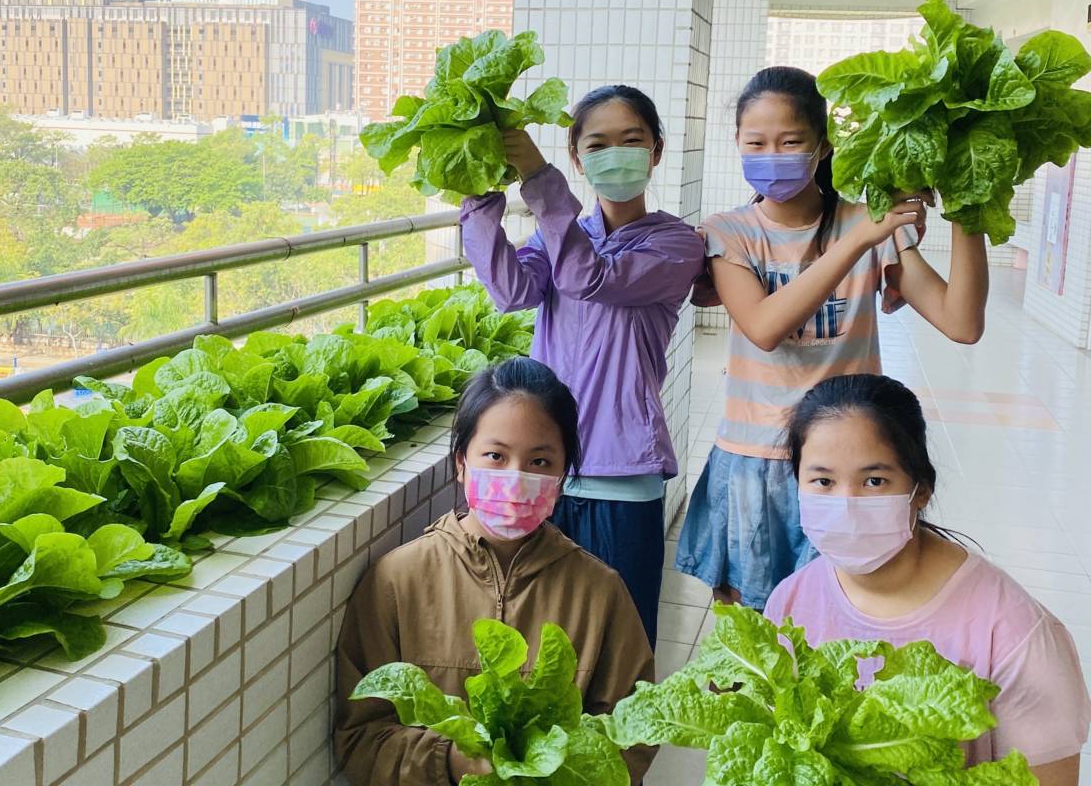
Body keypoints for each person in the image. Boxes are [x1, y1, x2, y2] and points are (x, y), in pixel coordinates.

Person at [676, 66, 991, 610]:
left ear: (822, 147)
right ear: (737, 145)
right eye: (756, 143)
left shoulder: (868, 224)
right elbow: (765, 327)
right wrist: (856, 242)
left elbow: (961, 323)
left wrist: (969, 207)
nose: (772, 154)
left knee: (840, 619)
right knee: (750, 631)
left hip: (848, 465)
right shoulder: (729, 232)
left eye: (790, 141)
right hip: (755, 457)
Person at [460, 85, 707, 647]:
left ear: (656, 151)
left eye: (631, 140)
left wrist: (540, 178)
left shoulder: (675, 244)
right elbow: (509, 289)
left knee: (617, 637)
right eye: (597, 144)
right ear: (579, 157)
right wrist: (480, 189)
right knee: (536, 632)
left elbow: (590, 278)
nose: (614, 154)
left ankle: (622, 739)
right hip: (541, 469)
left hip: (622, 476)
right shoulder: (561, 236)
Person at [334, 357, 656, 786]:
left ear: (564, 474)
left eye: (540, 462)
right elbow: (361, 739)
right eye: (495, 455)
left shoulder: (600, 592)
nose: (516, 477)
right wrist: (450, 762)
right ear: (460, 463)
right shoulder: (395, 581)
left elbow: (631, 736)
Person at [764, 374, 1090, 784]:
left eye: (874, 481)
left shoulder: (1015, 633)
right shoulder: (790, 603)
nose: (845, 505)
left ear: (921, 489)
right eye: (823, 481)